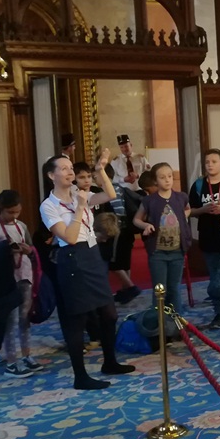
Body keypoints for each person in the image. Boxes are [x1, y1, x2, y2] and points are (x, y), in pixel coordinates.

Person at [40, 151, 135, 390]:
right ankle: (80, 376)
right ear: (51, 175)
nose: (70, 172)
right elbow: (70, 237)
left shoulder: (77, 193)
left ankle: (110, 362)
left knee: (110, 314)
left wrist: (101, 170)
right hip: (73, 260)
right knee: (77, 320)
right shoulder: (48, 206)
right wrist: (80, 208)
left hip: (92, 256)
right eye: (64, 168)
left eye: (71, 167)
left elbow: (110, 194)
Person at [0, 190, 42, 377]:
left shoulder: (21, 226)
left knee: (24, 317)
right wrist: (5, 249)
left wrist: (27, 250)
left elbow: (31, 248)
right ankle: (11, 362)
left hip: (24, 276)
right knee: (10, 320)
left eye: (17, 212)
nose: (14, 216)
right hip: (5, 281)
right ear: (1, 209)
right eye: (10, 212)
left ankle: (27, 355)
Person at [134, 162, 191, 313]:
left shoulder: (181, 197)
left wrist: (182, 217)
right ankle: (159, 321)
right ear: (155, 181)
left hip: (177, 251)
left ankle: (176, 321)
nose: (167, 180)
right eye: (162, 177)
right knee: (160, 289)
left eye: (170, 176)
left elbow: (187, 209)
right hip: (158, 252)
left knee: (174, 288)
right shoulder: (149, 200)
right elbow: (136, 219)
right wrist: (146, 225)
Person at [189, 148, 220, 328]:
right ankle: (218, 312)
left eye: (214, 162)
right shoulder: (198, 185)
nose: (210, 165)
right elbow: (190, 211)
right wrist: (204, 209)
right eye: (207, 162)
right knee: (215, 275)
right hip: (208, 235)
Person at [109, 134, 150, 304]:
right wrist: (124, 179)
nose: (125, 149)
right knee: (126, 237)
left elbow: (148, 174)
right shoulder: (115, 161)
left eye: (127, 146)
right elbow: (113, 179)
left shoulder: (140, 158)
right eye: (122, 147)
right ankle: (126, 286)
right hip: (124, 197)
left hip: (138, 194)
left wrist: (139, 177)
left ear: (131, 145)